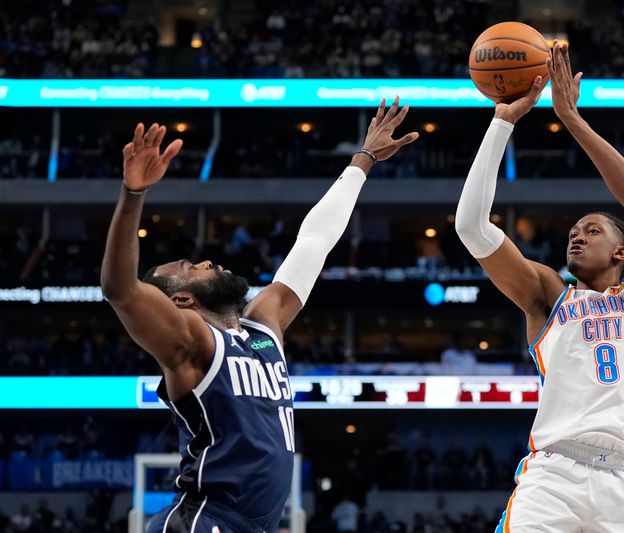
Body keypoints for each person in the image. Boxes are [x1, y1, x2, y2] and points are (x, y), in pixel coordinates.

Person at [100, 97, 418, 533]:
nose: (207, 261)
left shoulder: (263, 327)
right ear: (180, 301)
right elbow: (120, 289)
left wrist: (362, 161)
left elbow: (314, 241)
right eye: (189, 268)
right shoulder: (193, 341)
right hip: (202, 519)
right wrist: (133, 194)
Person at [455, 41, 624, 532]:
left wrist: (573, 121)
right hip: (554, 476)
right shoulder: (550, 294)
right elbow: (471, 227)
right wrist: (501, 122)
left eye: (592, 230)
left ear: (623, 252)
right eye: (573, 231)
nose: (577, 235)